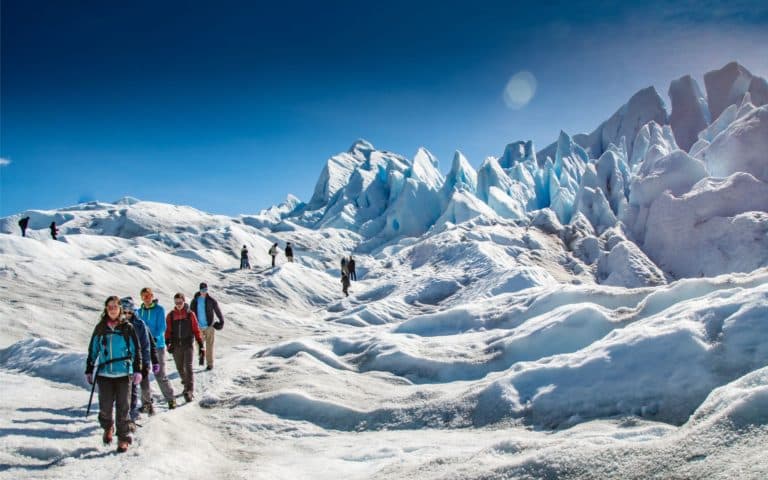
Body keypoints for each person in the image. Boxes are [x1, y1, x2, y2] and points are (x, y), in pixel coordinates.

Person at [84, 296, 143, 453]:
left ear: (120, 309)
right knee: (105, 407)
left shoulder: (127, 328)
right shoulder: (100, 328)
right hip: (104, 374)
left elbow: (136, 350)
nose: (112, 309)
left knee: (123, 408)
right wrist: (89, 369)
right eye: (109, 307)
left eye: (115, 307)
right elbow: (93, 349)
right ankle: (108, 427)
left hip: (124, 374)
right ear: (106, 309)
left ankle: (123, 438)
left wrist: (138, 369)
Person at [121, 296, 158, 427]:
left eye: (129, 312)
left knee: (141, 386)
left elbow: (147, 345)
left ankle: (145, 405)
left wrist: (147, 363)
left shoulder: (139, 324)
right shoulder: (117, 324)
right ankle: (128, 413)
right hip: (123, 362)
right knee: (127, 389)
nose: (127, 315)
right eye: (124, 312)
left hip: (139, 360)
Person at [136, 287, 176, 410]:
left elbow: (162, 328)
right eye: (144, 296)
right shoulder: (139, 312)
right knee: (143, 375)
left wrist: (152, 338)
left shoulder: (159, 310)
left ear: (152, 296)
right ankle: (146, 403)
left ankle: (171, 399)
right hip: (143, 348)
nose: (146, 298)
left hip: (157, 346)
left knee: (159, 373)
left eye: (148, 295)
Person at [166, 293, 204, 402]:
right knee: (179, 367)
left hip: (188, 344)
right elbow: (168, 330)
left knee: (188, 367)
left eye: (180, 302)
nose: (178, 304)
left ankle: (189, 391)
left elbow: (196, 329)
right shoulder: (171, 315)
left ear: (184, 301)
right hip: (176, 345)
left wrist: (200, 344)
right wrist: (167, 342)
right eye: (176, 302)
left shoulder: (190, 314)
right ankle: (186, 384)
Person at [189, 282, 224, 371]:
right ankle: (201, 356)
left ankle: (210, 364)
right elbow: (190, 313)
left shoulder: (211, 300)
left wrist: (221, 321)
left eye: (205, 290)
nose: (204, 292)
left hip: (209, 326)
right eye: (202, 290)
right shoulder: (195, 300)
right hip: (199, 327)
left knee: (209, 346)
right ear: (199, 290)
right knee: (199, 345)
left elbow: (217, 310)